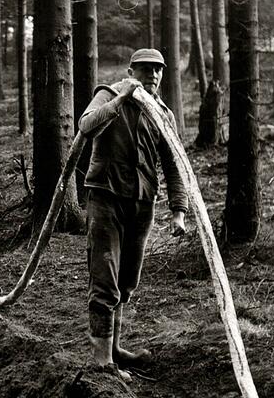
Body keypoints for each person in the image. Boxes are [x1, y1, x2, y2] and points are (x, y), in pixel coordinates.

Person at [78, 48, 187, 379]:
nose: (152, 75)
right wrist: (121, 100)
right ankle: (102, 361)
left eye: (158, 70)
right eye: (145, 69)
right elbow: (86, 126)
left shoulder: (162, 113)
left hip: (142, 205)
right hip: (106, 199)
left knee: (127, 281)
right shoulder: (109, 94)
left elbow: (174, 163)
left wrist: (178, 211)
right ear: (131, 70)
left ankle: (114, 349)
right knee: (105, 279)